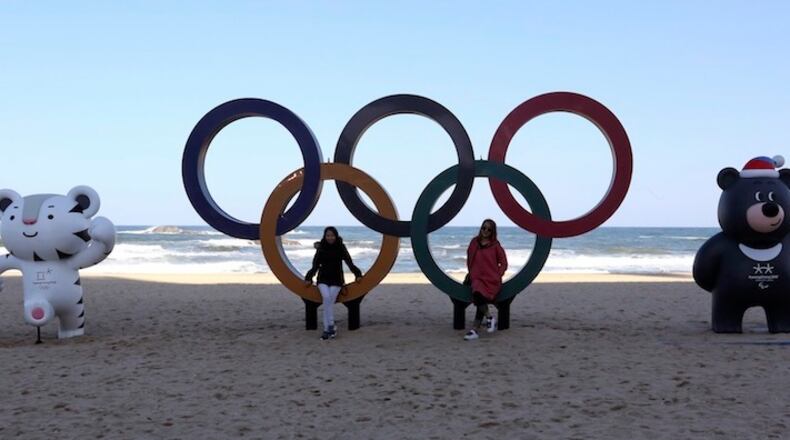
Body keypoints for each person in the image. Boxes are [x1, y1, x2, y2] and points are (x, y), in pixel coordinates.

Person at [304, 227, 363, 340]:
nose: (330, 237)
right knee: (326, 298)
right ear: (325, 237)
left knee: (329, 300)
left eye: (332, 235)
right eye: (328, 235)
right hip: (323, 279)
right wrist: (309, 278)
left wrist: (357, 274)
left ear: (336, 236)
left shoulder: (340, 247)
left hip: (336, 280)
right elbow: (315, 265)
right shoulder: (321, 248)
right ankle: (330, 326)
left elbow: (349, 262)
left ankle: (328, 330)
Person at [464, 219, 508, 341]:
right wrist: (472, 273)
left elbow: (503, 263)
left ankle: (475, 330)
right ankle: (489, 318)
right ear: (481, 228)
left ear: (492, 231)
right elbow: (469, 259)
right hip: (477, 278)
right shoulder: (474, 243)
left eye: (489, 229)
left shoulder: (495, 246)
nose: (486, 231)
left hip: (491, 280)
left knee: (479, 299)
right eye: (484, 228)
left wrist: (498, 275)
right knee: (478, 292)